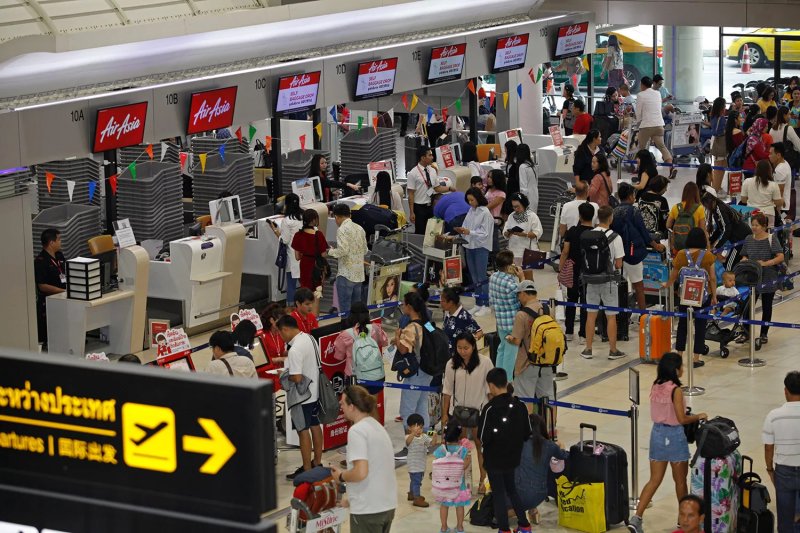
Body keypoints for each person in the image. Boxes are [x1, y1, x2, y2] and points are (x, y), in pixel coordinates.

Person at [627, 352, 708, 533]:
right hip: (674, 437)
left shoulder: (656, 385)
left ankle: (637, 518)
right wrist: (698, 416)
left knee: (654, 480)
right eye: (681, 366)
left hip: (656, 434)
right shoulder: (676, 390)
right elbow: (681, 418)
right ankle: (682, 520)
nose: (683, 369)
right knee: (680, 481)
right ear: (675, 369)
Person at [330, 385, 397, 533]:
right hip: (386, 506)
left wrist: (341, 476)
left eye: (343, 403)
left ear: (352, 406)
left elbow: (361, 472)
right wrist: (350, 500)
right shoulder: (378, 427)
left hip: (368, 511)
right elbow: (377, 469)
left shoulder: (357, 431)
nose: (341, 406)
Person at [478, 368, 533, 533]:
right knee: (512, 490)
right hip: (513, 458)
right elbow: (527, 433)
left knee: (499, 494)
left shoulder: (489, 408)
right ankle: (524, 525)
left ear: (492, 386)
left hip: (494, 459)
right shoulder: (520, 405)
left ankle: (504, 529)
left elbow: (482, 436)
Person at [441, 332, 493, 491]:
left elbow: (491, 389)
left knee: (480, 445)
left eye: (466, 348)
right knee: (460, 447)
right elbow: (447, 390)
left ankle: (483, 481)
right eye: (459, 348)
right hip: (458, 414)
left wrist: (494, 411)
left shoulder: (485, 363)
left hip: (479, 410)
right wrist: (444, 414)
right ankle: (464, 481)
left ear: (474, 346)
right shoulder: (451, 364)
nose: (463, 351)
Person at [661, 228, 717, 367]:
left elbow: (674, 275)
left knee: (682, 326)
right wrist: (714, 295)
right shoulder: (708, 256)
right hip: (703, 297)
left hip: (685, 296)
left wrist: (667, 284)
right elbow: (713, 278)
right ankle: (696, 358)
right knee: (700, 326)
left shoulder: (681, 254)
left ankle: (679, 356)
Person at [278, 314, 323, 479]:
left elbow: (296, 378)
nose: (281, 337)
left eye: (280, 333)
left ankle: (306, 470)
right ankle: (317, 462)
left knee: (302, 431)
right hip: (315, 392)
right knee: (315, 425)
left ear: (286, 329)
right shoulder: (309, 338)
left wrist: (283, 375)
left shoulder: (295, 349)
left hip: (302, 397)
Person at [581, 206, 626, 360]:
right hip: (609, 281)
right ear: (611, 218)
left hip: (591, 279)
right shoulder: (616, 237)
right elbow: (618, 263)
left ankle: (588, 349)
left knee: (591, 315)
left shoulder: (588, 235)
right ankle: (613, 350)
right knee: (611, 316)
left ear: (597, 218)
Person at [612, 182, 667, 311]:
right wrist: (655, 245)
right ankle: (642, 314)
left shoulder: (614, 211)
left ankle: (621, 313)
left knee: (621, 286)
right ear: (630, 196)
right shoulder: (634, 211)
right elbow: (643, 232)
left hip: (618, 255)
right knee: (638, 286)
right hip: (633, 252)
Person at [394, 291, 435, 459]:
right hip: (428, 371)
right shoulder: (428, 323)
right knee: (422, 405)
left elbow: (403, 349)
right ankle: (423, 444)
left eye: (404, 304)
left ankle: (410, 446)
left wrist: (397, 337)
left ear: (409, 307)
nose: (403, 306)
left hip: (415, 373)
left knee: (408, 409)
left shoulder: (411, 327)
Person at [506, 280, 555, 415]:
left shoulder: (521, 314)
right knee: (548, 398)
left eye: (518, 295)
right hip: (546, 361)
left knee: (525, 398)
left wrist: (508, 338)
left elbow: (517, 341)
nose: (518, 298)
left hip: (527, 363)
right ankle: (551, 431)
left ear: (523, 294)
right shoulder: (548, 310)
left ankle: (527, 429)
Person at [762, 371, 800, 533]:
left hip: (784, 472)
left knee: (784, 518)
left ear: (785, 390)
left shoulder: (773, 416)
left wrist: (770, 469)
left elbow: (768, 447)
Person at [738, 212, 785, 345]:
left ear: (764, 226)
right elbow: (745, 255)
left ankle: (764, 333)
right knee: (748, 305)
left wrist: (765, 263)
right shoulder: (748, 239)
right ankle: (745, 332)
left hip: (768, 276)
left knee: (767, 305)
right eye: (752, 225)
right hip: (753, 277)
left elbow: (780, 256)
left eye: (757, 225)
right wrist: (744, 261)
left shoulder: (771, 238)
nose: (754, 227)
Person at [515, 414, 569, 525]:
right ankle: (532, 510)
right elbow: (564, 456)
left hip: (518, 492)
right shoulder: (550, 446)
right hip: (540, 494)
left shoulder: (518, 442)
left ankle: (518, 510)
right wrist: (561, 445)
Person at [453, 187, 494, 317]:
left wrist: (469, 232)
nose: (470, 203)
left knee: (482, 277)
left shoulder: (485, 212)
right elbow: (466, 226)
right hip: (469, 246)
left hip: (481, 247)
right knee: (474, 277)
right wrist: (461, 231)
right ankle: (478, 302)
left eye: (472, 200)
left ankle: (486, 304)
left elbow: (485, 233)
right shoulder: (471, 210)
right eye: (468, 200)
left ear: (478, 198)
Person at [559, 202, 595, 343]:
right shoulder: (595, 233)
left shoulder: (572, 231)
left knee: (571, 300)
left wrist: (561, 269)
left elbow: (565, 251)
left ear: (579, 216)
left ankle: (568, 331)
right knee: (586, 301)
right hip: (588, 271)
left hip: (573, 269)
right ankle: (583, 334)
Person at [333, 301, 388, 391]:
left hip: (355, 378)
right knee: (372, 404)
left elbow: (338, 357)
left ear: (351, 315)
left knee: (355, 404)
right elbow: (385, 342)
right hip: (377, 375)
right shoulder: (375, 328)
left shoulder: (346, 334)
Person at [489, 251, 524, 378]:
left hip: (500, 320)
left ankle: (498, 377)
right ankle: (507, 380)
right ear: (509, 266)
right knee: (511, 352)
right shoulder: (510, 284)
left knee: (502, 349)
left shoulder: (493, 277)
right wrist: (522, 277)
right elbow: (524, 295)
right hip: (512, 323)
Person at [327, 204, 368, 316]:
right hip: (359, 274)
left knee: (345, 311)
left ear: (337, 217)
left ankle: (346, 332)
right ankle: (357, 332)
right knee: (356, 311)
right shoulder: (360, 228)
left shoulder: (342, 230)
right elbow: (365, 250)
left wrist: (329, 251)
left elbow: (343, 251)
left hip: (346, 274)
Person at [433, 422, 473, 533]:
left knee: (444, 506)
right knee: (459, 506)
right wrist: (468, 460)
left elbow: (436, 463)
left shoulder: (441, 450)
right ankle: (460, 527)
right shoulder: (463, 450)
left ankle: (444, 527)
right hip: (459, 485)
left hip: (444, 486)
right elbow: (464, 466)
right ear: (459, 435)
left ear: (445, 435)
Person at [636, 77, 676, 179]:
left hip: (646, 126)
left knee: (641, 149)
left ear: (642, 85)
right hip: (659, 125)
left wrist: (637, 123)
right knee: (662, 147)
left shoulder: (640, 95)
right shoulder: (657, 93)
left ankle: (641, 172)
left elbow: (638, 113)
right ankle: (671, 166)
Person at [408, 146, 454, 235]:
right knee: (420, 232)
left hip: (431, 206)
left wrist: (449, 188)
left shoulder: (432, 170)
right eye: (430, 155)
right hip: (419, 207)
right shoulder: (413, 173)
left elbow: (437, 188)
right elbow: (411, 194)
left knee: (431, 233)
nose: (432, 157)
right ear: (423, 158)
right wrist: (411, 212)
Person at [702, 192, 752, 271]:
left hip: (741, 239)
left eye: (706, 205)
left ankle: (732, 281)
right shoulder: (717, 210)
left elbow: (727, 230)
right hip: (739, 238)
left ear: (712, 202)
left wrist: (716, 246)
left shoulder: (719, 209)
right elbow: (719, 229)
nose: (706, 208)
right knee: (730, 264)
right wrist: (710, 241)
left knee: (729, 266)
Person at [34, 228, 66, 347]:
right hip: (49, 300)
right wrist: (62, 291)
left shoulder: (59, 255)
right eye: (59, 239)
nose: (61, 242)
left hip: (64, 296)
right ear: (51, 243)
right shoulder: (40, 261)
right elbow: (42, 286)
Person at [271, 193, 304, 304]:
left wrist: (276, 231)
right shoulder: (304, 216)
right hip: (305, 255)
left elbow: (285, 240)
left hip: (293, 257)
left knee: (291, 285)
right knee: (305, 284)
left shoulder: (287, 220)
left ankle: (290, 309)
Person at [503, 192, 544, 266]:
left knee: (527, 276)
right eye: (514, 207)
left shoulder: (532, 216)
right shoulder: (511, 216)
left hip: (527, 252)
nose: (515, 209)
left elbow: (537, 232)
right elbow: (505, 232)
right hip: (513, 251)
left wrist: (524, 234)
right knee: (513, 275)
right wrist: (508, 233)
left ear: (524, 204)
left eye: (518, 206)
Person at [291, 209, 328, 291]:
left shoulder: (298, 235)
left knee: (305, 289)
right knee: (317, 290)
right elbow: (324, 254)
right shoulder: (319, 235)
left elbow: (297, 257)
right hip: (316, 264)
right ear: (314, 220)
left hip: (304, 264)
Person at [667, 182, 707, 254]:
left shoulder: (676, 207)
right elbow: (702, 229)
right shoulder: (700, 208)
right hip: (694, 247)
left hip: (678, 246)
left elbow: (668, 225)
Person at [742, 159, 783, 227]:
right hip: (768, 214)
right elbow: (777, 202)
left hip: (751, 214)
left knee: (752, 234)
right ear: (770, 170)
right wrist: (782, 200)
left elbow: (743, 200)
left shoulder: (747, 181)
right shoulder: (773, 185)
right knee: (768, 235)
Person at [404, 413, 433, 508]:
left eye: (420, 428)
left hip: (421, 464)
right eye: (415, 427)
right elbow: (407, 442)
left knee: (414, 480)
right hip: (413, 464)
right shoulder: (408, 437)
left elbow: (431, 443)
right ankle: (417, 498)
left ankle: (411, 494)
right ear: (409, 428)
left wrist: (434, 436)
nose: (418, 430)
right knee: (417, 481)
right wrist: (413, 433)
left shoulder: (424, 436)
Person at [637, 174, 670, 241]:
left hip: (642, 232)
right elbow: (666, 221)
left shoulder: (641, 196)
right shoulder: (662, 200)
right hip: (657, 235)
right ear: (660, 187)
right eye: (665, 188)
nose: (666, 190)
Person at [707, 97, 728, 192]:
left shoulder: (716, 117)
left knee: (722, 166)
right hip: (718, 144)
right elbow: (716, 132)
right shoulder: (719, 118)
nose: (725, 108)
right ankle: (715, 190)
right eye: (724, 106)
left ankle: (718, 187)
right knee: (718, 168)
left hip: (720, 143)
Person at [770, 142, 793, 222]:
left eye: (771, 154)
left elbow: (780, 190)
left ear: (778, 155)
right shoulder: (784, 163)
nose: (769, 156)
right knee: (782, 222)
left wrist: (778, 208)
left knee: (780, 224)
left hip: (781, 207)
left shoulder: (780, 169)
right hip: (783, 205)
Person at [516, 144, 538, 212]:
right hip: (535, 194)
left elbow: (523, 187)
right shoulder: (532, 165)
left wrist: (522, 201)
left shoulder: (522, 167)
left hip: (527, 197)